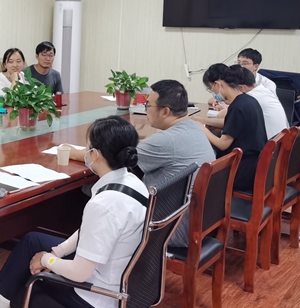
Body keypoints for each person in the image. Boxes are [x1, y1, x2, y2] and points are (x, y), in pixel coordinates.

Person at [0, 116, 147, 308]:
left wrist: (47, 260)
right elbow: (90, 230)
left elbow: (80, 273)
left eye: (88, 148)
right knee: (34, 241)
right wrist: (57, 251)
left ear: (95, 155)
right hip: (124, 279)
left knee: (29, 273)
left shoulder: (104, 205)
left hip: (99, 296)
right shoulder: (132, 183)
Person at [67, 80, 215, 247]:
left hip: (169, 228)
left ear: (165, 111)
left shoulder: (166, 141)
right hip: (199, 221)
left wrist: (70, 152)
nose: (145, 109)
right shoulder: (192, 127)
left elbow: (110, 155)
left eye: (148, 105)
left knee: (94, 188)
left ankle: (84, 248)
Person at [200, 65, 267, 192]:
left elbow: (223, 144)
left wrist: (202, 130)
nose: (213, 93)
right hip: (255, 164)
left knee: (201, 171)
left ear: (218, 84)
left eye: (212, 88)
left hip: (243, 170)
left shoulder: (238, 106)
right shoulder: (248, 100)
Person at [239, 67, 288, 139]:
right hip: (281, 139)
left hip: (269, 143)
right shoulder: (264, 90)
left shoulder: (249, 98)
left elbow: (231, 119)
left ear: (240, 87)